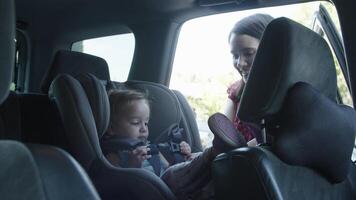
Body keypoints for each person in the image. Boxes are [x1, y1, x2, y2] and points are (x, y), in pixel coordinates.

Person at [102, 89, 246, 200]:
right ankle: (215, 150)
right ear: (111, 128)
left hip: (174, 190)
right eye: (135, 122)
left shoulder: (150, 148)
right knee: (175, 175)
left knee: (211, 180)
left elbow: (167, 167)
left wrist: (185, 157)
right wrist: (133, 166)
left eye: (146, 122)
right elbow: (118, 187)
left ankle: (221, 159)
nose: (143, 128)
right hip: (157, 192)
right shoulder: (114, 155)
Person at [224, 13, 274, 145]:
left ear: (271, 50)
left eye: (249, 53)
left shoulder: (289, 95)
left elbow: (270, 141)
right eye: (235, 55)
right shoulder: (236, 92)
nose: (240, 63)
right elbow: (221, 136)